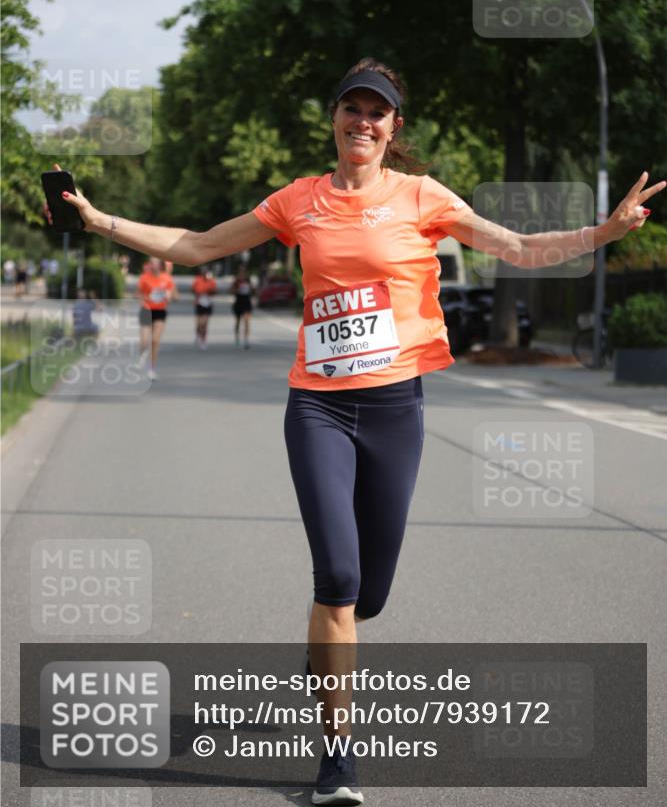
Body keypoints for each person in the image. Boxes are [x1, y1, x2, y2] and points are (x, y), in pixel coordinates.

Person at [46, 58, 665, 804]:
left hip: (395, 409)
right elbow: (197, 245)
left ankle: (324, 650)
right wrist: (101, 219)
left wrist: (603, 231)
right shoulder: (298, 201)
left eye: (378, 112)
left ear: (392, 127)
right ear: (334, 119)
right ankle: (338, 759)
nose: (363, 121)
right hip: (318, 408)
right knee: (336, 582)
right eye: (352, 108)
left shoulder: (420, 196)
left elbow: (518, 248)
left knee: (368, 597)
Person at [136, 257, 175, 380]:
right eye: (151, 263)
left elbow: (175, 295)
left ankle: (151, 369)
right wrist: (147, 296)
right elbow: (137, 293)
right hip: (146, 310)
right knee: (145, 341)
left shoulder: (167, 278)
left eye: (155, 263)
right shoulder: (144, 277)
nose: (153, 265)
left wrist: (169, 296)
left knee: (155, 341)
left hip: (160, 311)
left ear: (160, 265)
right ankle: (142, 357)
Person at [192, 265, 217, 349]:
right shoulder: (197, 280)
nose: (204, 273)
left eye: (206, 271)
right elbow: (193, 290)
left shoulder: (211, 280)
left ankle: (203, 340)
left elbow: (215, 291)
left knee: (205, 323)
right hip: (200, 303)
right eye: (203, 271)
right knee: (199, 323)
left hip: (208, 303)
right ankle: (198, 335)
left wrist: (210, 290)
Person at [230, 264, 254, 348]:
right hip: (239, 301)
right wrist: (237, 289)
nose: (242, 273)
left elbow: (253, 290)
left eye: (244, 271)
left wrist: (251, 288)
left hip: (246, 301)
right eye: (241, 271)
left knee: (247, 320)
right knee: (238, 321)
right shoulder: (236, 281)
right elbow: (231, 290)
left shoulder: (248, 280)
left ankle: (246, 339)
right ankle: (237, 336)